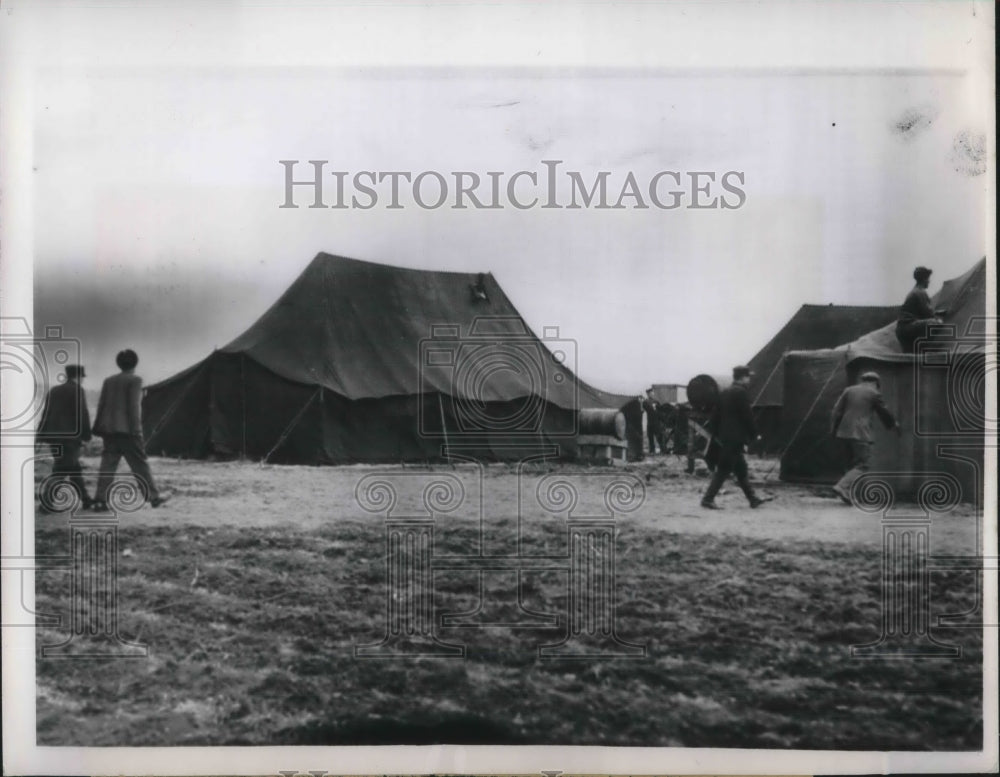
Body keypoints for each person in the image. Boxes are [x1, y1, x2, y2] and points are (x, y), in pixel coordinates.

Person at [92, 349, 169, 510]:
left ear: (118, 363)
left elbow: (101, 405)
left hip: (109, 430)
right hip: (128, 432)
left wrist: (98, 427)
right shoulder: (135, 380)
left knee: (108, 464)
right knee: (140, 464)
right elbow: (134, 407)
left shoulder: (109, 381)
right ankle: (154, 498)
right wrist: (137, 430)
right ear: (135, 363)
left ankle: (100, 500)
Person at [700, 366, 767, 509]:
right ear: (742, 377)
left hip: (726, 438)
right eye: (748, 377)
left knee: (741, 469)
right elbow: (747, 416)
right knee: (724, 469)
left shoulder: (724, 392)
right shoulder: (741, 393)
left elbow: (715, 417)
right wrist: (755, 435)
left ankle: (752, 498)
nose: (749, 379)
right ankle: (707, 499)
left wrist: (717, 435)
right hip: (735, 439)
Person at [830, 371, 897, 505]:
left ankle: (848, 493)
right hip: (860, 433)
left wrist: (834, 430)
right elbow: (884, 412)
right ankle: (842, 486)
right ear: (875, 383)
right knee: (863, 464)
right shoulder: (874, 393)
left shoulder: (848, 390)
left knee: (850, 464)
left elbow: (836, 411)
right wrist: (893, 424)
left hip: (843, 432)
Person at [37, 364, 93, 511]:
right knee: (62, 470)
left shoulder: (54, 391)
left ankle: (86, 500)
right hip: (70, 440)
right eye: (82, 377)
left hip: (54, 439)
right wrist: (86, 436)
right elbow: (82, 415)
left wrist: (40, 434)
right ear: (79, 376)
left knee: (74, 468)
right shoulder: (78, 390)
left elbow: (46, 414)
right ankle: (46, 503)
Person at [895, 266, 942, 353]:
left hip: (901, 330)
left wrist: (936, 312)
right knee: (935, 323)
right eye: (928, 279)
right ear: (924, 279)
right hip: (909, 328)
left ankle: (917, 349)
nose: (929, 281)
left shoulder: (914, 291)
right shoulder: (920, 292)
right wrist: (938, 318)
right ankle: (926, 348)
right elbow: (928, 314)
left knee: (910, 356)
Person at [621, 395, 645, 462]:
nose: (642, 400)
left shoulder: (637, 404)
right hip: (632, 426)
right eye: (642, 399)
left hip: (634, 426)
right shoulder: (635, 404)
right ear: (639, 398)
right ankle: (635, 456)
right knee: (635, 440)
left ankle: (637, 455)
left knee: (637, 440)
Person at [642, 388, 665, 455]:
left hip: (656, 422)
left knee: (659, 436)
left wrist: (662, 420)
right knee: (650, 437)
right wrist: (653, 408)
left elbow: (660, 410)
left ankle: (662, 449)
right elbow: (647, 408)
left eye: (652, 393)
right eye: (650, 393)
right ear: (648, 394)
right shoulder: (645, 402)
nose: (652, 394)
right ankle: (652, 450)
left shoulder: (656, 401)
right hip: (650, 422)